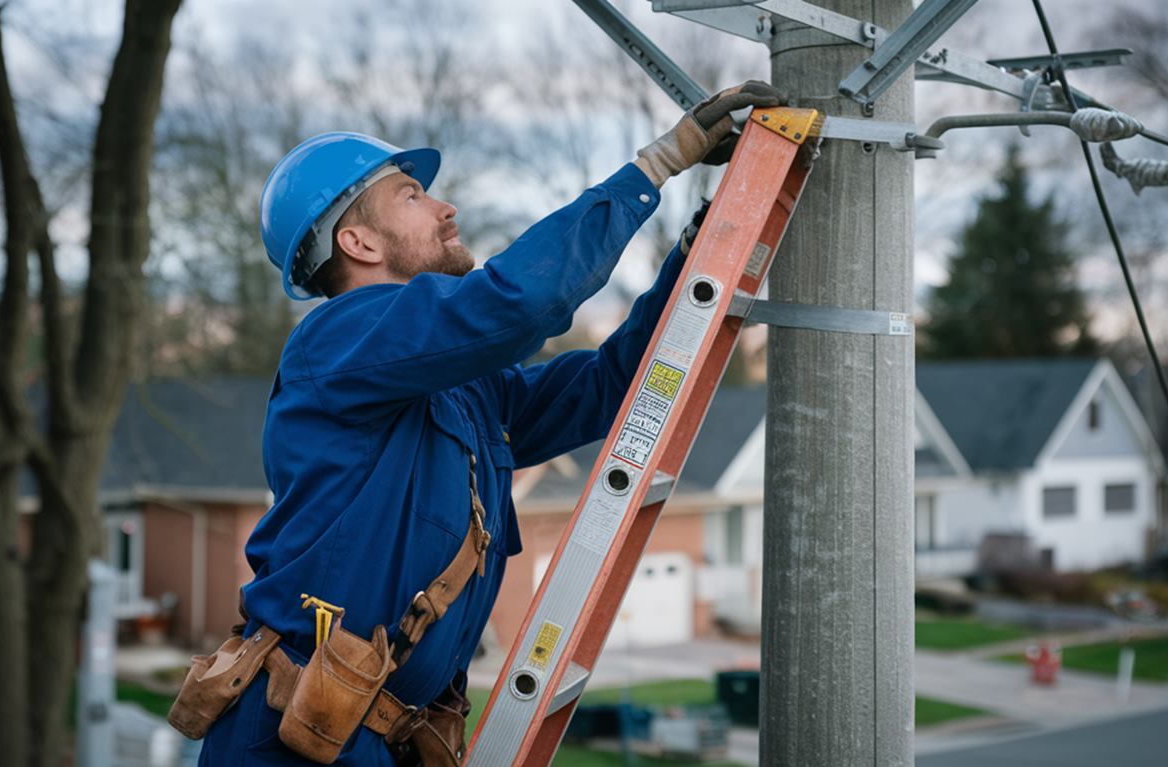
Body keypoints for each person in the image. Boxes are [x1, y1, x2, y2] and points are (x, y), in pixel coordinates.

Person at [188, 81, 785, 766]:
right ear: (356, 240)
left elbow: (600, 388)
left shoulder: (460, 388)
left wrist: (702, 244)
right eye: (412, 196)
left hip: (379, 739)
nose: (447, 209)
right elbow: (519, 302)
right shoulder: (334, 340)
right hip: (291, 739)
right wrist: (655, 166)